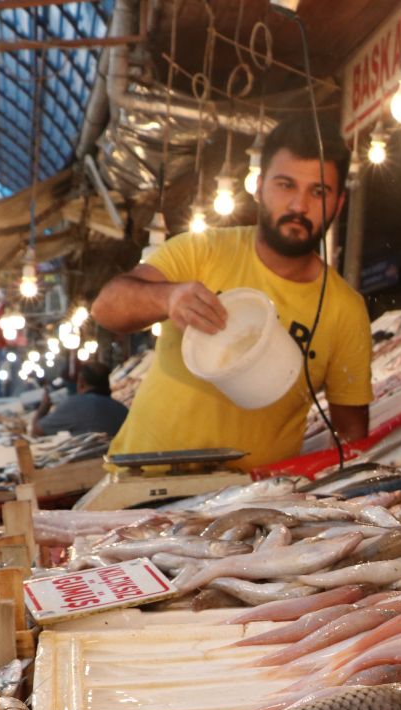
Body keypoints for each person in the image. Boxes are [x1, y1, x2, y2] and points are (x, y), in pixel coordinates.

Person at [91, 113, 371, 468]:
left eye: (318, 191)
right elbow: (106, 307)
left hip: (248, 504)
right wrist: (168, 297)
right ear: (258, 186)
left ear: (339, 203)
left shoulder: (345, 310)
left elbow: (352, 437)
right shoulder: (202, 250)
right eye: (285, 185)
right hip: (140, 484)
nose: (300, 206)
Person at [31, 361, 127, 437]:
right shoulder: (123, 409)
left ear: (81, 383)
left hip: (91, 461)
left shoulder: (73, 404)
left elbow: (37, 430)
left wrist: (44, 405)